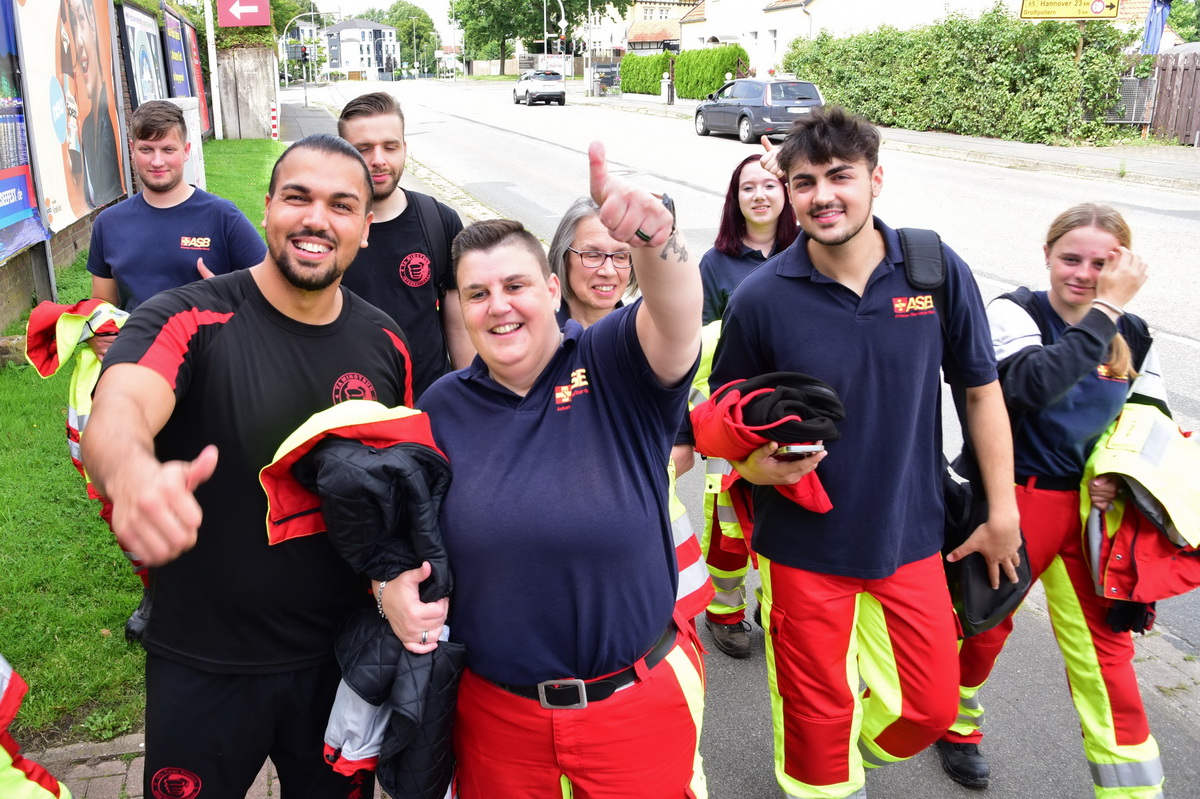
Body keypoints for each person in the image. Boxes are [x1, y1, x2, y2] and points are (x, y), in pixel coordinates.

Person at [81, 134, 416, 799]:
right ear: (266, 210)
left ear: (365, 227)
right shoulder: (186, 316)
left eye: (341, 205)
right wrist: (132, 474)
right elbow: (119, 406)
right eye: (298, 197)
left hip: (337, 663)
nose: (317, 218)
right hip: (201, 661)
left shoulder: (385, 345)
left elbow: (393, 491)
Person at [711, 107, 1021, 799]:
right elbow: (719, 415)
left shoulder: (934, 270)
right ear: (787, 192)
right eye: (803, 181)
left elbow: (980, 392)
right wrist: (751, 465)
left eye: (840, 176)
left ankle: (847, 757)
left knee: (931, 707)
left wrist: (1002, 511)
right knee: (815, 728)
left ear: (875, 179)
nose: (823, 194)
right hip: (800, 547)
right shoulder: (762, 297)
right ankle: (823, 773)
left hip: (910, 536)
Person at [399, 143, 707, 798]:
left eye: (515, 286)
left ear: (549, 288)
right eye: (478, 293)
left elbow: (679, 316)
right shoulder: (442, 406)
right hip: (497, 717)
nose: (498, 306)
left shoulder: (612, 361)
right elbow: (409, 535)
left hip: (632, 708)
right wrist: (387, 587)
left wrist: (655, 240)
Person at [935, 203, 1167, 798]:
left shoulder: (1135, 335)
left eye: (1103, 262)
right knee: (982, 627)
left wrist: (1118, 471)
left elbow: (1150, 422)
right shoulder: (1016, 311)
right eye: (1071, 259)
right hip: (1012, 500)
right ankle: (956, 723)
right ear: (1046, 256)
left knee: (1105, 652)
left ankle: (1133, 788)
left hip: (1091, 514)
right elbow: (1027, 388)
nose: (1085, 274)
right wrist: (1107, 311)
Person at [84, 99, 265, 641]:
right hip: (146, 383)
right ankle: (159, 592)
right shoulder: (110, 225)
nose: (158, 160)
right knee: (150, 486)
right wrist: (100, 337)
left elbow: (267, 293)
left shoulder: (223, 218)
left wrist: (224, 295)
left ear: (187, 150)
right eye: (147, 149)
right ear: (132, 154)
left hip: (218, 378)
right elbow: (101, 306)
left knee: (226, 489)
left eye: (168, 149)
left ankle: (239, 593)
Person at [547, 196, 712, 625]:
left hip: (649, 550)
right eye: (592, 254)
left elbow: (683, 451)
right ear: (562, 259)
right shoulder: (533, 344)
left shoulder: (655, 342)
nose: (608, 270)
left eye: (621, 256)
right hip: (557, 555)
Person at [696, 153, 798, 658]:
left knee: (789, 515)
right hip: (733, 416)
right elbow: (698, 349)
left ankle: (775, 604)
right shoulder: (716, 264)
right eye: (747, 188)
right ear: (734, 201)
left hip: (794, 415)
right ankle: (725, 609)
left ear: (787, 194)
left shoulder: (809, 250)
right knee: (729, 526)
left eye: (770, 185)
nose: (760, 195)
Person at [337, 92, 473, 398]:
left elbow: (459, 327)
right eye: (364, 149)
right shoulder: (327, 229)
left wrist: (471, 400)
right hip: (348, 409)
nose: (379, 160)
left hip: (427, 405)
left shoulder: (440, 221)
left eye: (390, 146)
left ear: (404, 149)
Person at [59, 0, 123, 211]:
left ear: (96, 30)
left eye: (81, 21)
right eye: (72, 26)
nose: (76, 42)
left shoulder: (108, 123)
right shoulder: (87, 126)